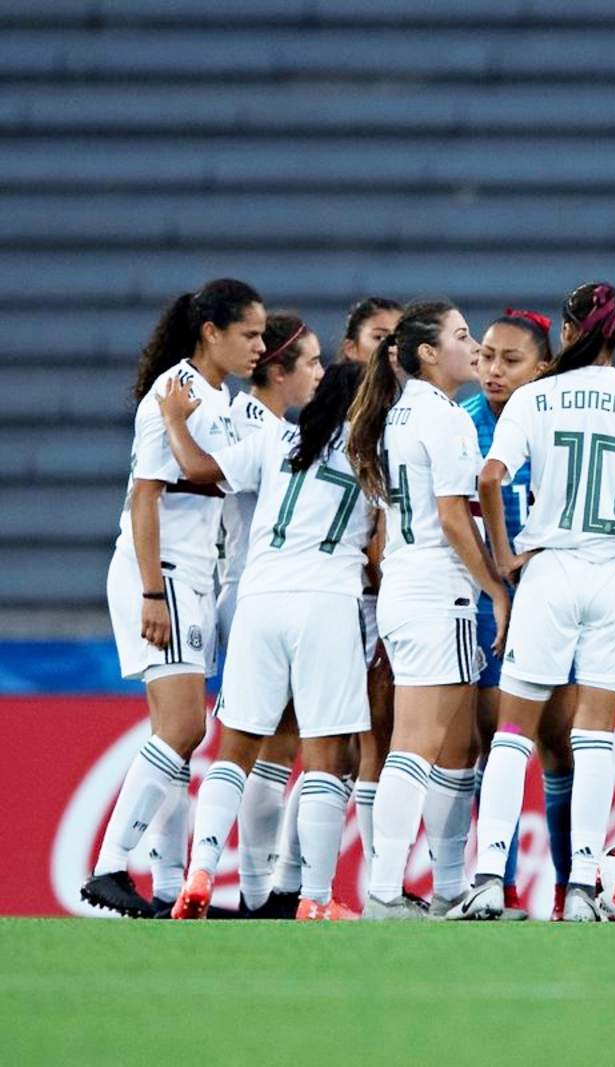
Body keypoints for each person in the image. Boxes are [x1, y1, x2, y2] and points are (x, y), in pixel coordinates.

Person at [449, 282, 615, 922]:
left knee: (514, 734)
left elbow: (490, 477)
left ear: (568, 332)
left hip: (550, 572)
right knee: (595, 738)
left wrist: (504, 555)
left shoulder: (535, 398)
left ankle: (490, 879)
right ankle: (582, 888)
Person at [158, 361, 374, 920]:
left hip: (260, 598)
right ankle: (316, 899)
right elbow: (380, 549)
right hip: (328, 602)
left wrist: (175, 419)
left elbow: (197, 468)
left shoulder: (277, 438)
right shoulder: (374, 454)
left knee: (236, 751)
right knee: (326, 756)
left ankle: (201, 871)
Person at [81, 278, 265, 918]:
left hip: (193, 577)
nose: (258, 346)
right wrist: (154, 589)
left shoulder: (215, 398)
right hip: (161, 573)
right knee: (185, 726)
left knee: (177, 735)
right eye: (248, 333)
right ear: (211, 332)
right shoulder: (173, 393)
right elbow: (146, 494)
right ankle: (108, 866)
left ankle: (164, 887)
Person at [346, 300, 510, 920]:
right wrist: (495, 584)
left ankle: (446, 887)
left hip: (413, 589)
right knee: (415, 746)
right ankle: (386, 891)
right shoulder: (443, 419)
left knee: (454, 746)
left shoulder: (402, 413)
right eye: (463, 337)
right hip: (435, 591)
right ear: (427, 354)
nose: (475, 348)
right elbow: (450, 514)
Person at [215, 312, 326, 918]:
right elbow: (209, 484)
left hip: (261, 593)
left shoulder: (271, 423)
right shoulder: (256, 426)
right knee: (273, 746)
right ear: (278, 370)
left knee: (273, 746)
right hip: (262, 592)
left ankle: (259, 892)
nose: (319, 373)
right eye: (309, 362)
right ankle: (261, 895)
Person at [459, 307, 567, 921]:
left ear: (543, 368)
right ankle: (496, 884)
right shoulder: (459, 424)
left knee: (560, 742)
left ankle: (567, 886)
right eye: (486, 357)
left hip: (553, 593)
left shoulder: (559, 422)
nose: (492, 371)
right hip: (482, 599)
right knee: (493, 740)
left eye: (510, 360)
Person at [338, 297, 403, 872]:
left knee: (374, 738)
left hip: (383, 598)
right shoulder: (326, 426)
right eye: (379, 338)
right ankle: (286, 884)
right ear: (350, 350)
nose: (390, 351)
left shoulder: (401, 424)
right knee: (333, 744)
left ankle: (380, 880)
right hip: (339, 597)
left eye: (398, 340)